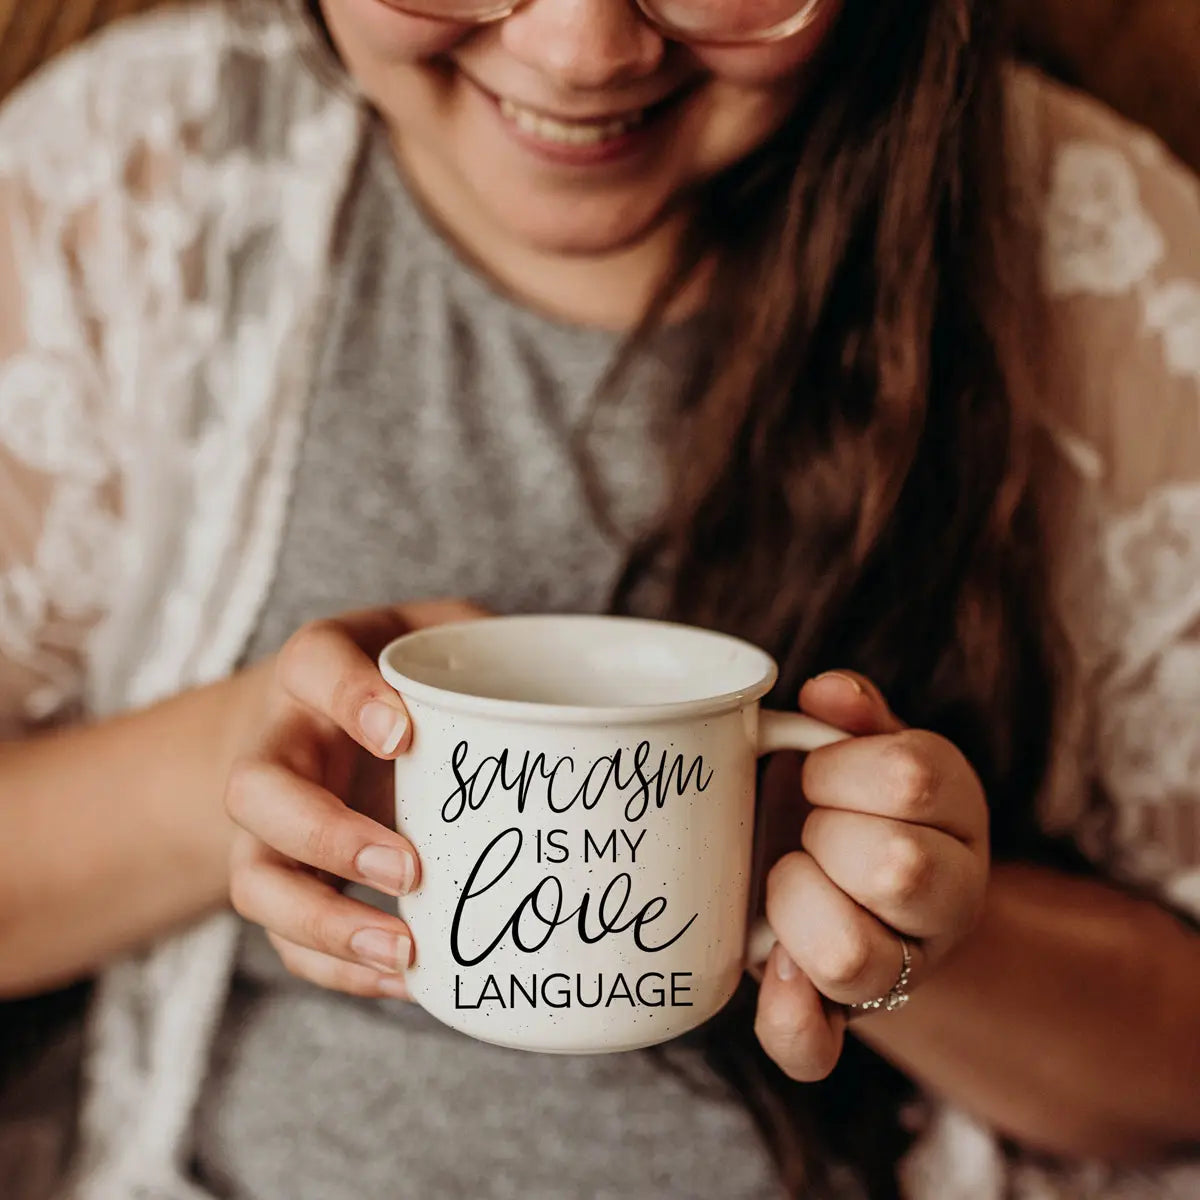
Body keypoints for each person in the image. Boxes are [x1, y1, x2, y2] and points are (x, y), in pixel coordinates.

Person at [0, 0, 1197, 1197]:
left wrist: (887, 922)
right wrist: (243, 758)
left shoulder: (1086, 259)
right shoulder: (139, 180)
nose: (578, 53)